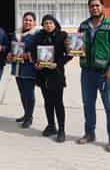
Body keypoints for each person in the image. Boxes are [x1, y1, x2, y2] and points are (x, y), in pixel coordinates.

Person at [76, 0, 110, 153]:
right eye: (91, 6)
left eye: (97, 5)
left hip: (105, 73)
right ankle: (90, 133)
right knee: (88, 104)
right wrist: (71, 46)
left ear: (103, 7)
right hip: (87, 73)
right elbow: (78, 46)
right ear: (89, 8)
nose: (94, 8)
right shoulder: (83, 26)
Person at [31, 14, 72, 143]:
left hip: (56, 73)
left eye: (50, 23)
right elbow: (33, 51)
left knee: (58, 102)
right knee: (47, 101)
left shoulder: (63, 36)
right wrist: (35, 63)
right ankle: (51, 125)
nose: (48, 25)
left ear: (55, 24)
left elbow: (70, 53)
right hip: (42, 74)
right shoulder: (38, 36)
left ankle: (61, 130)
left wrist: (58, 63)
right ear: (42, 25)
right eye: (45, 23)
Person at [6, 12, 38, 129]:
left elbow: (39, 50)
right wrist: (9, 55)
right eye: (26, 20)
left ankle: (29, 117)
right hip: (18, 68)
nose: (27, 22)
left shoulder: (36, 35)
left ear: (34, 22)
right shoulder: (16, 33)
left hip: (29, 69)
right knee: (22, 93)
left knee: (29, 94)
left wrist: (28, 55)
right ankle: (26, 114)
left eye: (30, 20)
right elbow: (12, 48)